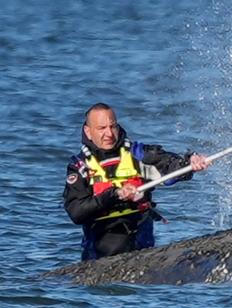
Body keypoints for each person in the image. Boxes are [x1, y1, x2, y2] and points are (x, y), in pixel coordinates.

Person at [63, 103, 210, 261]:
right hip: (100, 250)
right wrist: (115, 194)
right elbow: (76, 213)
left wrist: (190, 162)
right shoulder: (80, 167)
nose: (109, 134)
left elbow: (170, 165)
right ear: (88, 131)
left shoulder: (137, 154)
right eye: (101, 128)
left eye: (113, 127)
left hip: (141, 244)